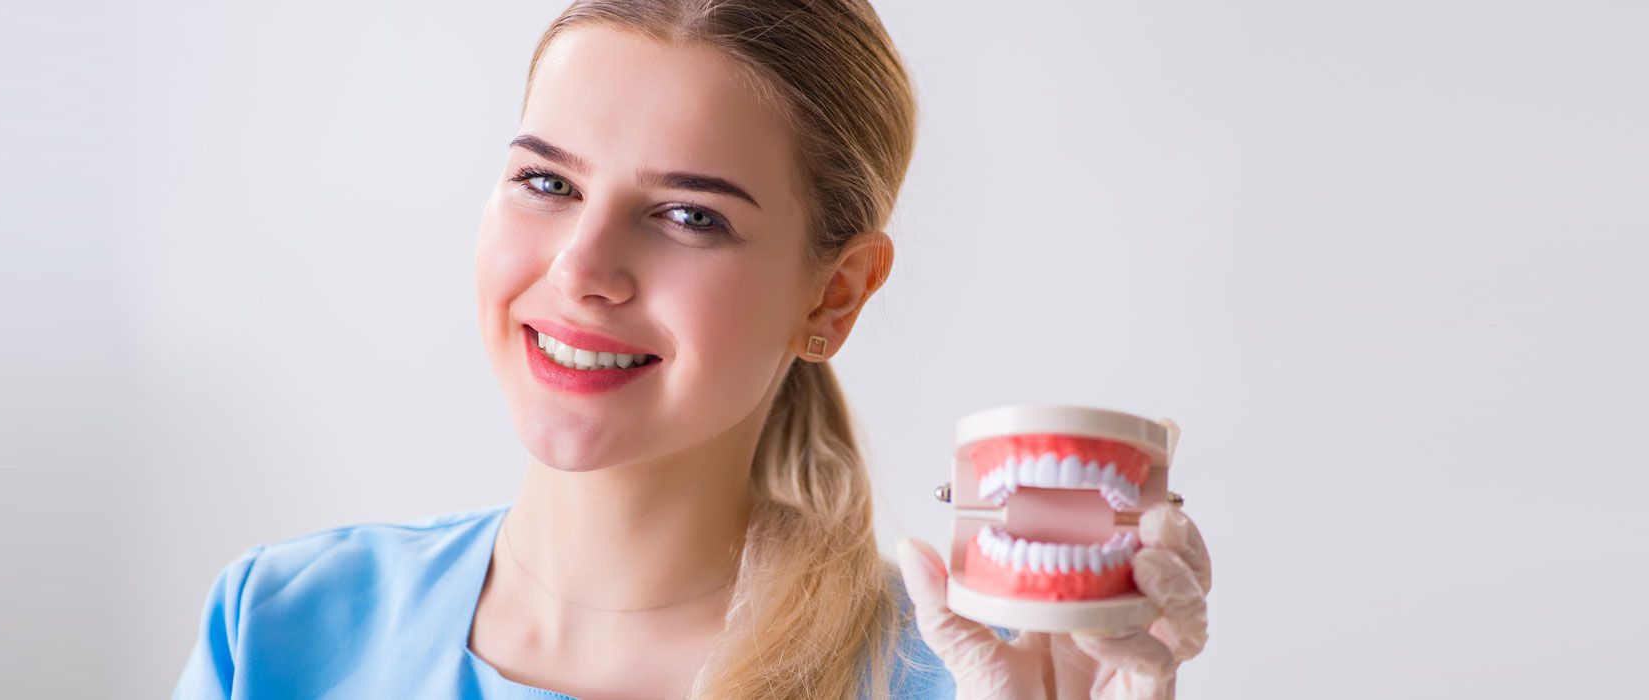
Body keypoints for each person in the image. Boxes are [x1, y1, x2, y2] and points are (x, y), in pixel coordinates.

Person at [171, 1, 1212, 698]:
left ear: (836, 294)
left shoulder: (956, 675)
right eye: (547, 182)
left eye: (689, 217)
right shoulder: (277, 631)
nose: (583, 268)